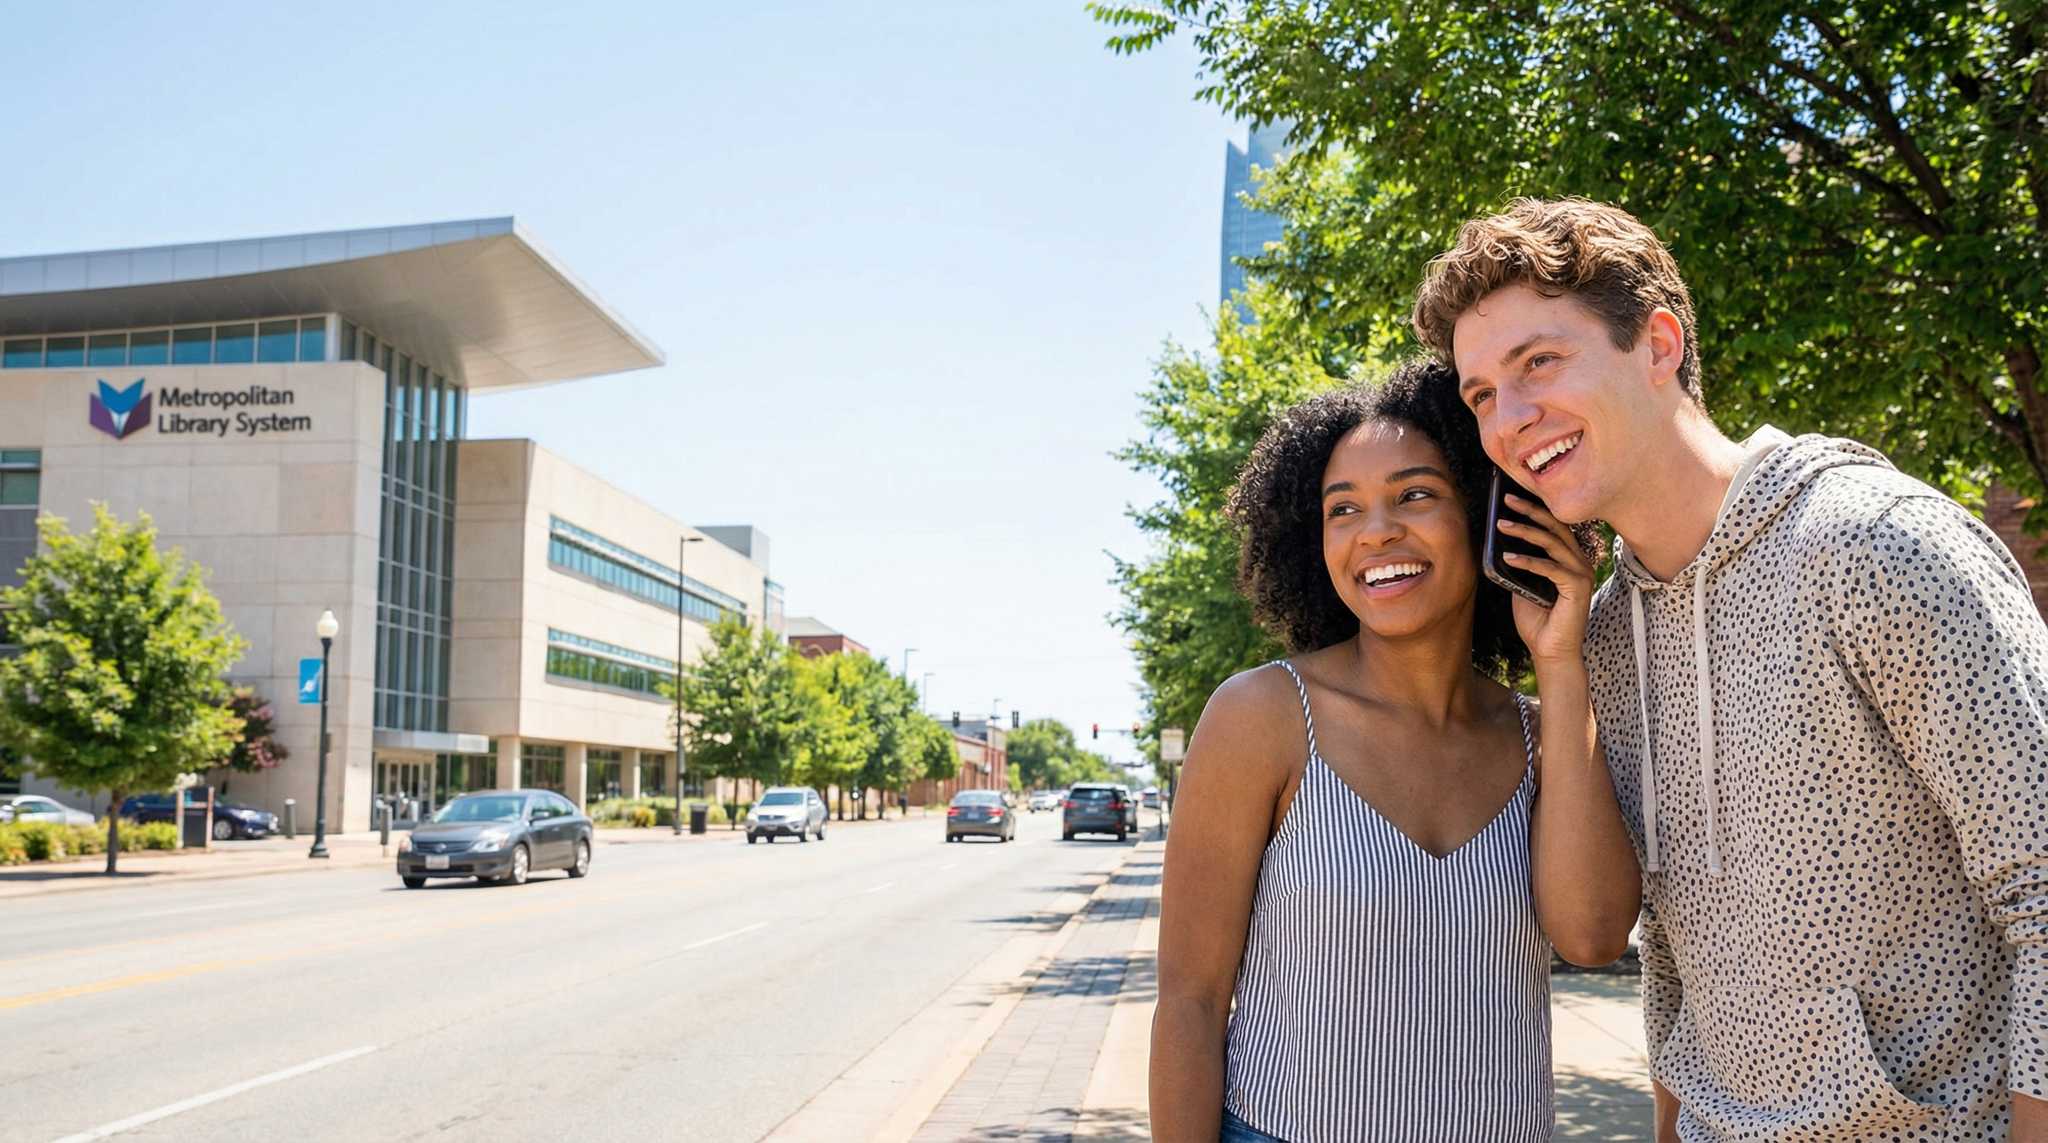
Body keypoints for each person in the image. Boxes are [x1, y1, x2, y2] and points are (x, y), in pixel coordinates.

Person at [1415, 197, 2048, 1140]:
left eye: (1538, 362)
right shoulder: (1609, 633)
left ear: (1658, 345)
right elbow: (1670, 955)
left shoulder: (1875, 545)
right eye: (1481, 395)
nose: (1509, 420)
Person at [1150, 360, 1640, 1141]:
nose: (1374, 531)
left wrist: (1559, 660)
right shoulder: (1263, 718)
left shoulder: (1541, 731)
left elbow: (1593, 936)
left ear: (1492, 513)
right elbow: (1190, 1000)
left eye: (1415, 494)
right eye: (1343, 508)